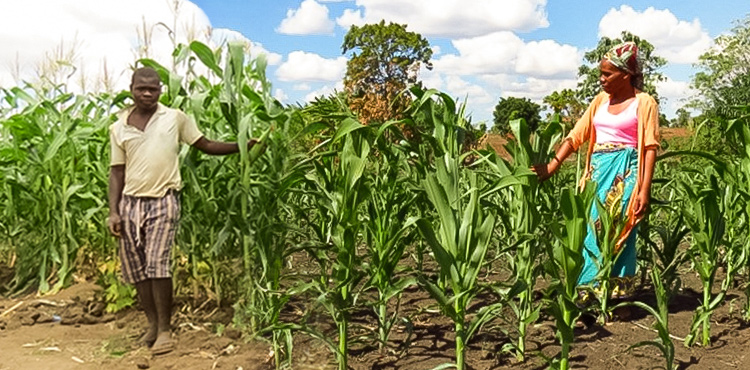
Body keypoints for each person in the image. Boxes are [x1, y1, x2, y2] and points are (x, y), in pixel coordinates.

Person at [108, 67, 259, 355]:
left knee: (158, 265)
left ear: (161, 90)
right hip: (130, 203)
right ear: (132, 89)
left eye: (153, 89)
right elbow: (116, 172)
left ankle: (165, 329)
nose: (148, 94)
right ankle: (151, 325)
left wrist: (240, 146)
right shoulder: (118, 127)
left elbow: (205, 144)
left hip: (164, 199)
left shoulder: (174, 118)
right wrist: (113, 212)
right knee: (138, 271)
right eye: (142, 89)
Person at [534, 42, 659, 306]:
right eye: (601, 73)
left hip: (626, 174)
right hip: (597, 173)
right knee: (589, 230)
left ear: (625, 74)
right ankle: (587, 296)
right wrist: (553, 165)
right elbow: (576, 136)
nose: (602, 79)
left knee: (619, 232)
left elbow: (649, 147)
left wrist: (644, 190)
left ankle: (619, 299)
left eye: (607, 74)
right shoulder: (600, 101)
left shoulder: (644, 102)